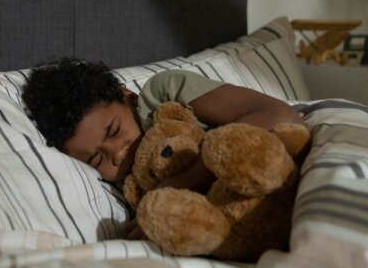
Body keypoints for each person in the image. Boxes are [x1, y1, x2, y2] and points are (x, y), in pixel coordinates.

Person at [21, 57, 304, 192]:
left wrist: (178, 184)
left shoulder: (161, 95)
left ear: (127, 97)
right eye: (97, 159)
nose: (118, 154)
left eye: (115, 131)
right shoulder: (131, 189)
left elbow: (277, 114)